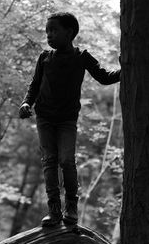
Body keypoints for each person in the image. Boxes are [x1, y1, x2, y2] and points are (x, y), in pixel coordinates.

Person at [19, 12, 120, 227]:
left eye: (54, 30)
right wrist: (26, 103)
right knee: (49, 161)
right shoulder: (44, 57)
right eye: (47, 31)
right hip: (45, 118)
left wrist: (126, 70)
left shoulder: (82, 57)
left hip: (66, 120)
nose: (49, 35)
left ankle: (71, 208)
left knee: (66, 160)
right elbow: (34, 85)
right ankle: (54, 211)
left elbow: (104, 76)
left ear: (70, 32)